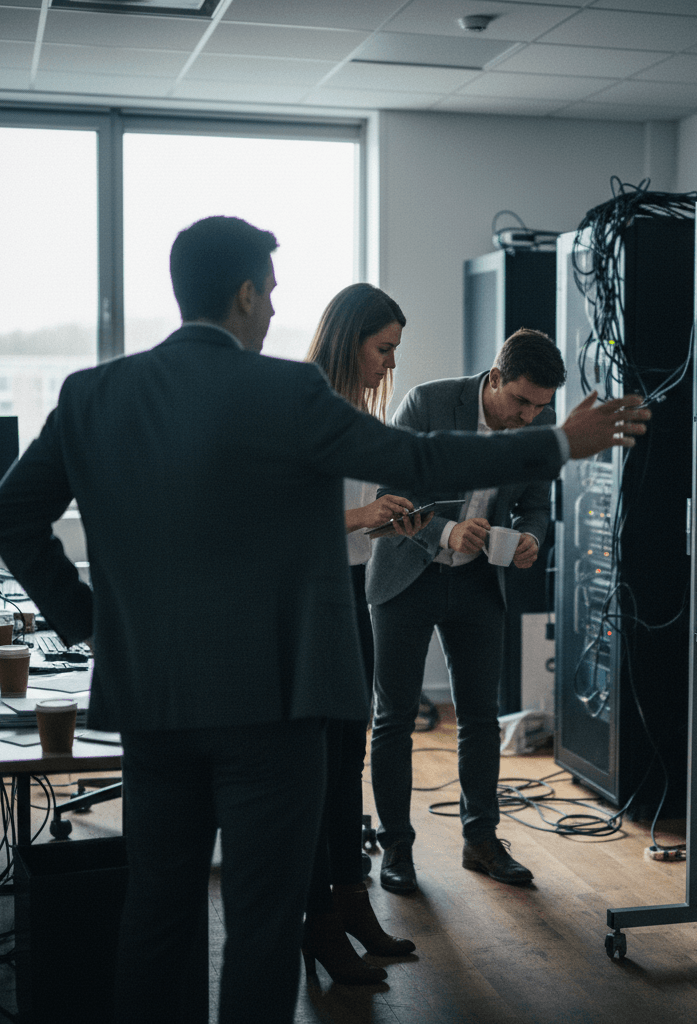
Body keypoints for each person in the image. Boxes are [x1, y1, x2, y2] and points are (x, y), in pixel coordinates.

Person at [0, 215, 650, 1024]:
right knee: (262, 928)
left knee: (155, 917)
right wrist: (557, 442)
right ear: (244, 292)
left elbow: (12, 519)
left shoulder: (93, 393)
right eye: (269, 291)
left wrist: (91, 622)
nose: (272, 310)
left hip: (150, 705)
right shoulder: (285, 393)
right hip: (276, 706)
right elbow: (422, 460)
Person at [367, 328, 566, 894]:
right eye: (521, 401)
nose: (528, 417)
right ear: (495, 378)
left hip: (480, 584)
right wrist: (448, 531)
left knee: (480, 717)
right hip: (407, 573)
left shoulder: (534, 429)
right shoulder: (429, 403)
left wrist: (528, 539)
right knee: (393, 718)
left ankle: (481, 841)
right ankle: (396, 848)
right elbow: (390, 492)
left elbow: (535, 507)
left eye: (541, 408)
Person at [300, 283, 418, 987]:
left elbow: (345, 515)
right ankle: (317, 920)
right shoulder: (302, 407)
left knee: (349, 763)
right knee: (318, 775)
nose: (389, 366)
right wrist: (361, 515)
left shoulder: (350, 411)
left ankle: (351, 905)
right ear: (350, 341)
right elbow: (283, 520)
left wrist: (383, 520)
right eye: (383, 349)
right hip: (314, 604)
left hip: (352, 593)